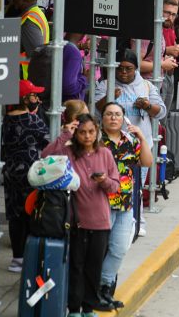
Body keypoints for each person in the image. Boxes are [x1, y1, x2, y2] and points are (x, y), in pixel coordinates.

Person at [42, 113, 119, 317]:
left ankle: (88, 308)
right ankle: (74, 309)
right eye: (82, 132)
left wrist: (104, 181)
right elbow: (45, 157)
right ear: (76, 134)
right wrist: (64, 134)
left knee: (94, 268)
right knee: (76, 266)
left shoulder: (105, 154)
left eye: (91, 131)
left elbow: (115, 186)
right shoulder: (68, 153)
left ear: (97, 132)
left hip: (101, 222)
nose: (87, 136)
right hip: (76, 221)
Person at [96, 102, 152, 311]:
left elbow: (147, 162)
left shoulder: (130, 141)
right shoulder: (97, 141)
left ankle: (104, 287)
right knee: (100, 248)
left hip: (125, 203)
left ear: (123, 118)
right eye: (109, 114)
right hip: (101, 202)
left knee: (119, 248)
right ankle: (98, 290)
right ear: (102, 118)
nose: (113, 118)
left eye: (117, 115)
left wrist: (142, 138)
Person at [2, 79, 50, 273]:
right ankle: (30, 256)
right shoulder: (32, 121)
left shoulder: (6, 119)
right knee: (31, 212)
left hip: (11, 172)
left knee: (15, 214)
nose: (37, 99)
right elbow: (48, 142)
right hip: (30, 173)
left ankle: (17, 258)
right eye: (33, 95)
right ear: (24, 99)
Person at [8, 0, 50, 79]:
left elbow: (36, 53)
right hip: (32, 76)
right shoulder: (36, 12)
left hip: (28, 77)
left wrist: (10, 57)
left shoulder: (29, 19)